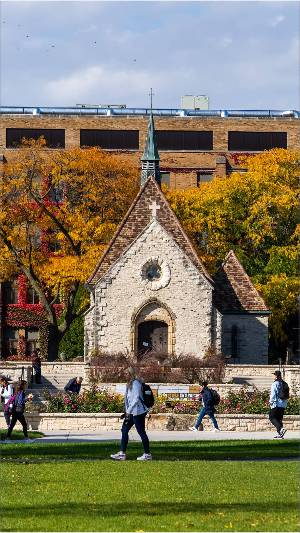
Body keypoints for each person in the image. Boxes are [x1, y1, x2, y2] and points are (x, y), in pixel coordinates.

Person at [110, 367, 152, 461]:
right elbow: (128, 399)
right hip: (131, 412)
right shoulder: (129, 384)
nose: (124, 375)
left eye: (126, 373)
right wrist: (127, 411)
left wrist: (128, 411)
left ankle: (147, 454)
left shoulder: (136, 383)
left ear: (130, 374)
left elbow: (136, 398)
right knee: (124, 430)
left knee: (141, 432)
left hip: (138, 412)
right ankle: (122, 453)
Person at [269, 370, 288, 438]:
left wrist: (271, 402)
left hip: (276, 404)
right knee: (279, 419)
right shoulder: (284, 383)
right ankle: (280, 434)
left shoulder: (275, 383)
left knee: (272, 417)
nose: (273, 376)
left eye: (274, 375)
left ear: (276, 376)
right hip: (283, 404)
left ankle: (280, 429)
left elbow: (273, 394)